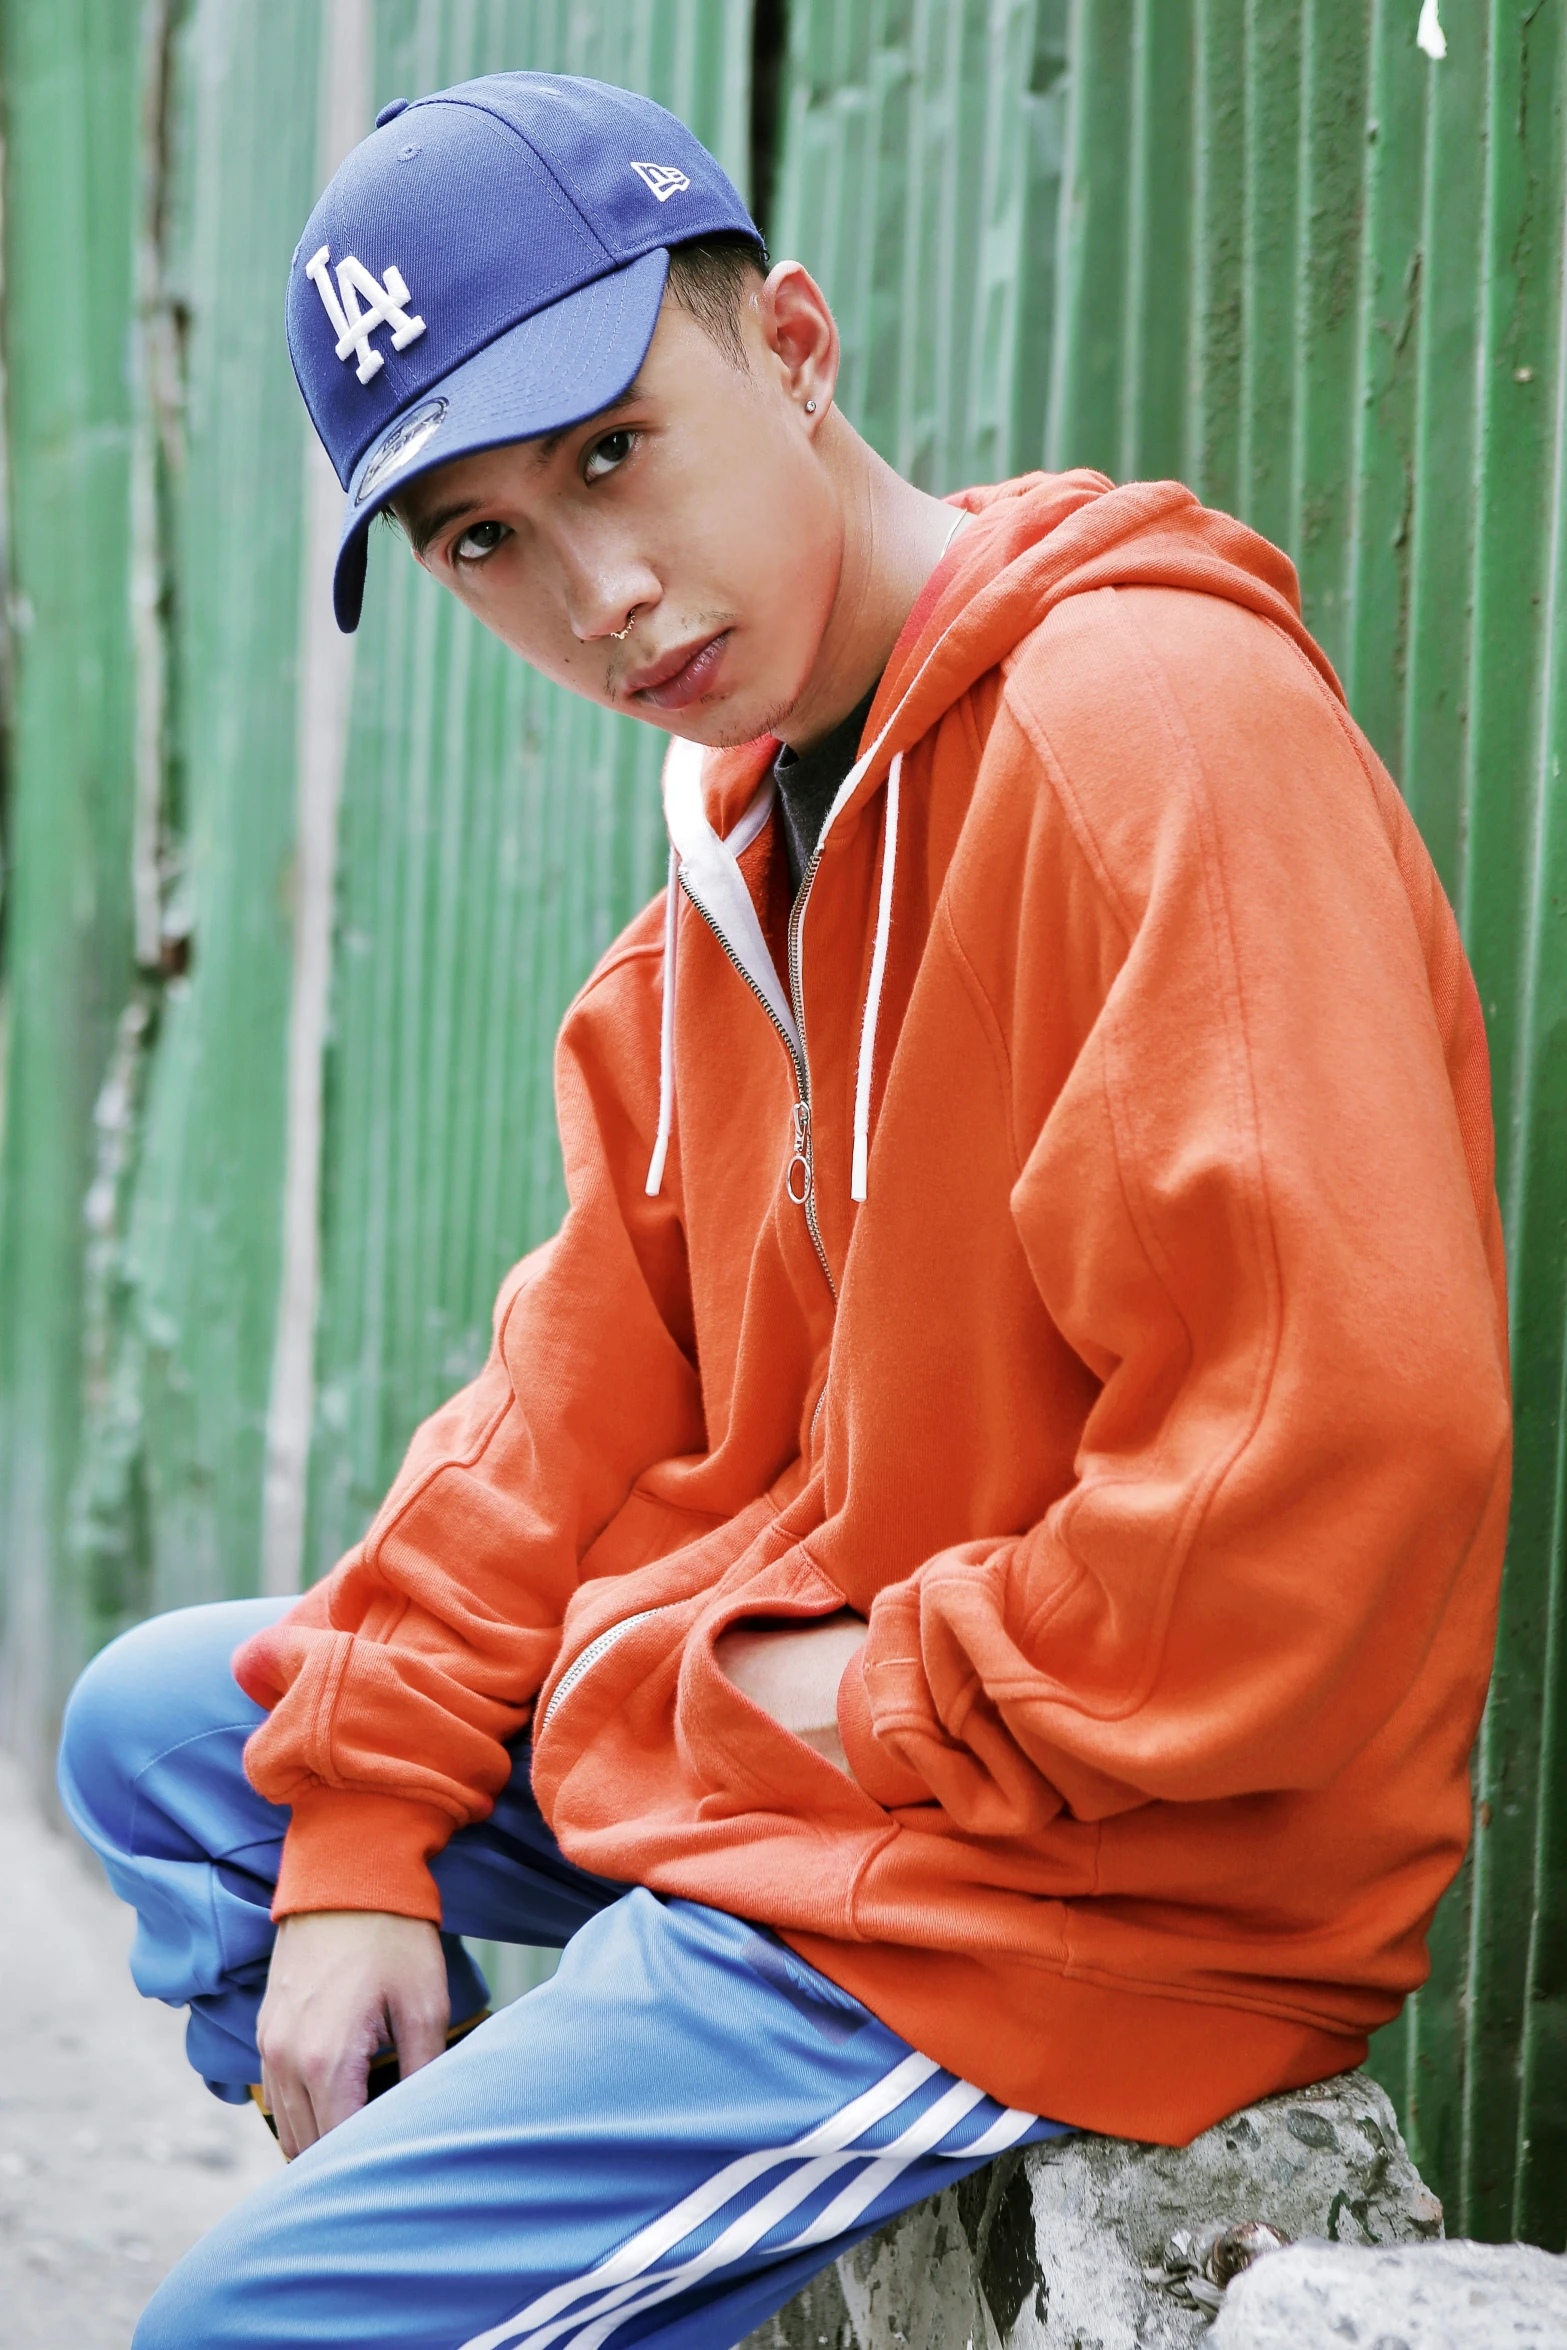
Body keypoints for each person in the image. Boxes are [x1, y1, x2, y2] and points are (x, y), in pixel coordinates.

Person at [58, 69, 1511, 2350]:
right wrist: (360, 1833)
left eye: (612, 450)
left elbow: (1339, 1463)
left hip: (1081, 1881)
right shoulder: (744, 864)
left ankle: (555, 2190)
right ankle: (575, 2200)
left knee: (233, 2331)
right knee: (177, 1732)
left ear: (795, 347)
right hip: (839, 1770)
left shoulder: (1152, 732)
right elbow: (558, 1401)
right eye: (481, 540)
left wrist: (849, 1699)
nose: (599, 589)